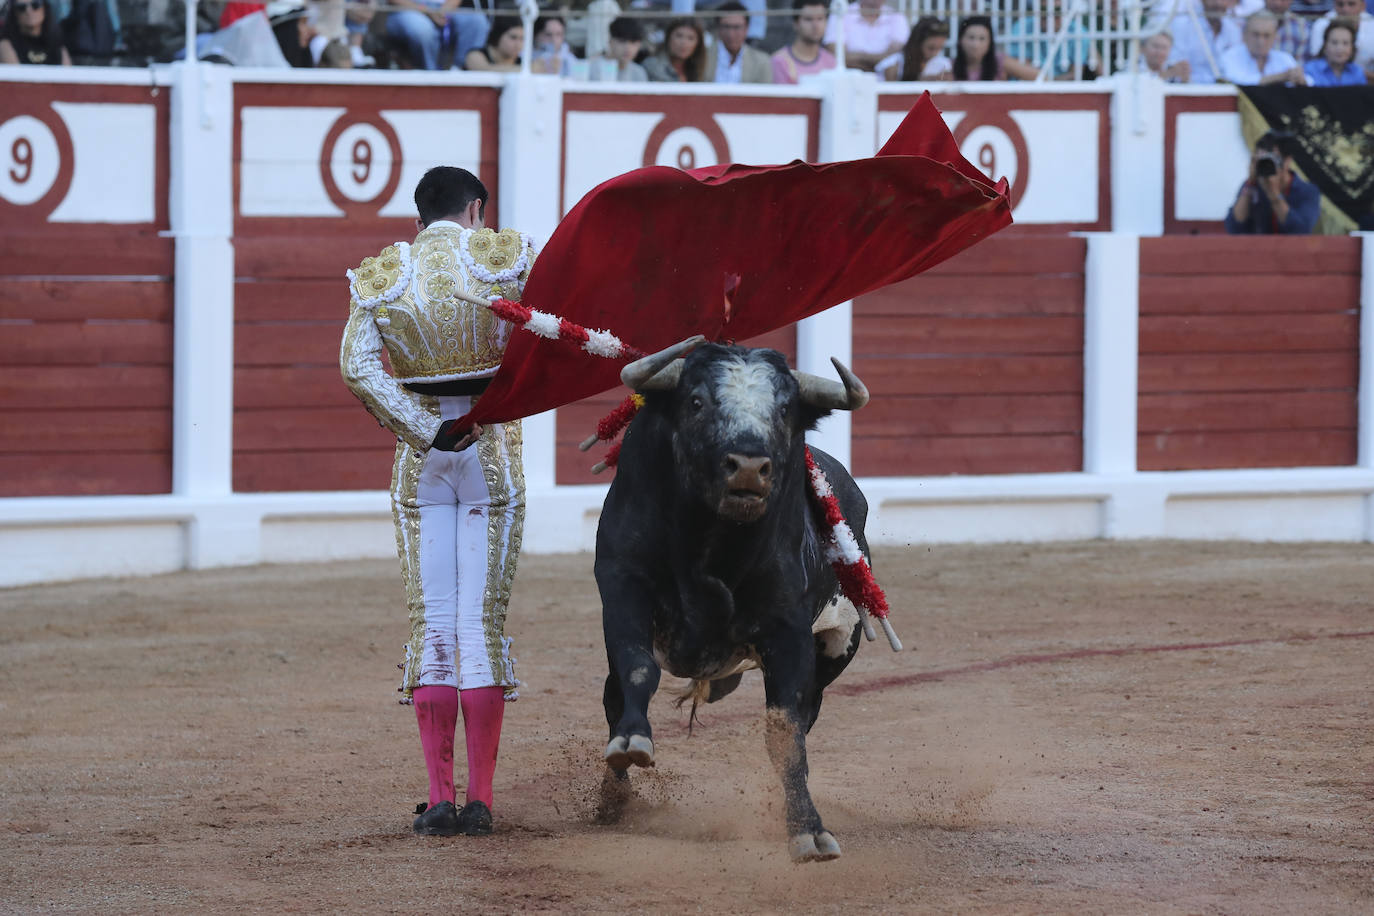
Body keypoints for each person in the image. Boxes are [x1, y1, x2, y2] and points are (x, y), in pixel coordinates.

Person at [340, 166, 536, 838]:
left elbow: (358, 367)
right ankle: (479, 801)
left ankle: (440, 798)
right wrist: (494, 407)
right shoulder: (504, 259)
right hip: (490, 454)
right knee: (479, 624)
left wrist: (428, 430)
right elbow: (542, 343)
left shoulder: (381, 275)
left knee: (435, 623)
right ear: (475, 209)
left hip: (422, 461)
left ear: (418, 217)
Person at [1224, 130, 1320, 235]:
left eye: (1272, 160)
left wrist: (1274, 194)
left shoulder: (1308, 191)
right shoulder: (1252, 186)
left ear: (1287, 161)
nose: (1266, 165)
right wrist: (1250, 183)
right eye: (1261, 160)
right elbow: (1233, 227)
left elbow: (1301, 230)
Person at [386, 0, 490, 71]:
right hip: (408, 8)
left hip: (444, 8)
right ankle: (430, 74)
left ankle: (457, 71)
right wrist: (427, 11)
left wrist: (445, 9)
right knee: (421, 29)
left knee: (477, 20)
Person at [1166, 0, 1243, 83]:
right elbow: (1175, 66)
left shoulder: (1233, 30)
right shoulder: (1182, 24)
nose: (1218, 3)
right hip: (1189, 89)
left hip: (1226, 91)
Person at [1220, 10, 1305, 83]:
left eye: (1266, 36)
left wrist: (1300, 80)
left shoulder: (1284, 59)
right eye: (1256, 35)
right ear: (1244, 34)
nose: (1261, 41)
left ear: (1275, 37)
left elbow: (1308, 82)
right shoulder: (1230, 57)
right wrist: (1280, 77)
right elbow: (1238, 83)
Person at [822, 0, 908, 72]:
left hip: (888, 86)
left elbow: (898, 52)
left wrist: (858, 59)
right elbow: (837, 55)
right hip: (850, 83)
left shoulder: (897, 17)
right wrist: (879, 62)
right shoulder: (840, 14)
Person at [951, 16, 1038, 81]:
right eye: (971, 37)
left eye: (982, 38)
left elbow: (1040, 77)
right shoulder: (949, 67)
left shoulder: (1001, 62)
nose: (976, 44)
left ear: (990, 42)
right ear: (960, 40)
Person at [705, 1, 772, 83]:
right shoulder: (703, 57)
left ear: (747, 28)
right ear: (718, 28)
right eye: (726, 27)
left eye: (736, 27)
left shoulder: (761, 62)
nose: (731, 34)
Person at [772, 0, 836, 83]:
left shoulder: (831, 62)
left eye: (820, 19)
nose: (815, 26)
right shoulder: (780, 61)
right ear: (796, 23)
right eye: (808, 19)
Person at [1309, 0, 1374, 78]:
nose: (1345, 9)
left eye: (1351, 4)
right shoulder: (1321, 24)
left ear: (1363, 6)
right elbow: (1317, 60)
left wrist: (1358, 75)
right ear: (1334, 5)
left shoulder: (1372, 25)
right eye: (1340, 4)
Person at [880, 16, 951, 81]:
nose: (935, 53)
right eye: (931, 48)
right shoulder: (894, 64)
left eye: (940, 48)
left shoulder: (943, 64)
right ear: (917, 43)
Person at [0, 0, 71, 65]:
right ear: (14, 13)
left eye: (35, 5)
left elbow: (68, 75)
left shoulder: (57, 43)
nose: (29, 11)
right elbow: (15, 77)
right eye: (21, 7)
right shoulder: (6, 44)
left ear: (44, 8)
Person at [1304, 17, 1366, 83]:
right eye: (1334, 42)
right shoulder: (1310, 70)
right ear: (1325, 45)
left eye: (1345, 43)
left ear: (1352, 47)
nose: (1340, 48)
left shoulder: (1357, 73)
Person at [644, 17, 707, 81]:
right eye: (679, 36)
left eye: (690, 38)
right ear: (668, 37)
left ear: (698, 44)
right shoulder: (652, 65)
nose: (684, 42)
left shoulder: (698, 71)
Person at [590, 15, 648, 81]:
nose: (628, 48)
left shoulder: (638, 73)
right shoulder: (592, 69)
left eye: (633, 42)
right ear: (610, 41)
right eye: (622, 41)